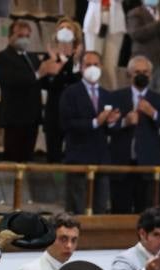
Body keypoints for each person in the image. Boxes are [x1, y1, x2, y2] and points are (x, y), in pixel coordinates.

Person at [110, 55, 160, 214]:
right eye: (137, 72)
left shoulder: (159, 100)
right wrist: (124, 122)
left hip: (147, 166)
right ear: (129, 74)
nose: (142, 75)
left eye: (145, 72)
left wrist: (153, 113)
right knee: (120, 211)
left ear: (151, 74)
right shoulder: (117, 96)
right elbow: (107, 127)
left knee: (146, 214)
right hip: (121, 165)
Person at [0, 19, 64, 162]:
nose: (24, 39)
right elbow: (11, 80)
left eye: (27, 36)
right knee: (13, 159)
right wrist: (39, 73)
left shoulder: (32, 57)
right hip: (14, 117)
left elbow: (42, 82)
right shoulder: (2, 57)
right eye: (20, 36)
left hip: (32, 116)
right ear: (10, 36)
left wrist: (52, 71)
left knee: (27, 159)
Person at [60, 50, 120, 214]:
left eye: (95, 64)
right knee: (77, 207)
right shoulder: (70, 93)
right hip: (78, 157)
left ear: (101, 66)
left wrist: (112, 122)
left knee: (100, 205)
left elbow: (111, 129)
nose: (92, 68)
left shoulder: (107, 95)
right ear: (81, 68)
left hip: (101, 158)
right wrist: (95, 122)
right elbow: (66, 123)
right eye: (88, 65)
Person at [43, 17, 84, 163]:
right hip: (54, 113)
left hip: (75, 115)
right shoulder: (49, 57)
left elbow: (78, 85)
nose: (65, 31)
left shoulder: (81, 59)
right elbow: (49, 84)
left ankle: (69, 184)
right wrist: (59, 64)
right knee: (53, 158)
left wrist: (75, 62)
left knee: (73, 158)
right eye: (61, 28)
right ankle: (55, 184)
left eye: (68, 28)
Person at [83, 0, 126, 91]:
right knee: (93, 64)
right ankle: (92, 97)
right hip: (93, 22)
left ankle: (111, 98)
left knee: (110, 67)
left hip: (116, 23)